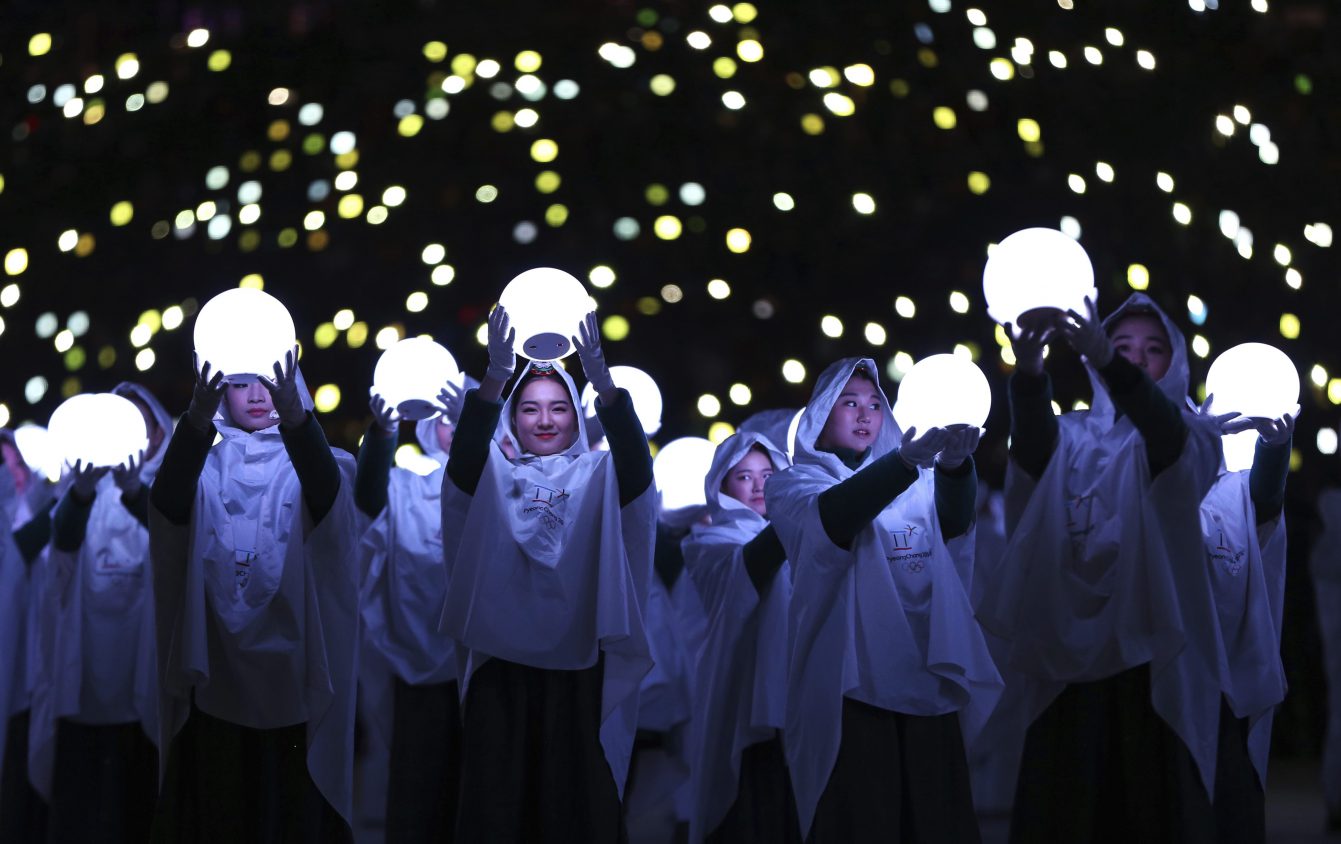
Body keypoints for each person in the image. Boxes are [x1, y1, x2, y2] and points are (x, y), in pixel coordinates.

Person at [979, 293, 1227, 843]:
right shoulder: (1073, 435)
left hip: (1154, 662)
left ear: (1177, 362)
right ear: (1092, 358)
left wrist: (1106, 358)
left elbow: (1168, 445)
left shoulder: (1197, 435)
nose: (1137, 359)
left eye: (1153, 349)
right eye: (1121, 348)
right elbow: (1035, 456)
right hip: (1068, 666)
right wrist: (1029, 370)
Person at [440, 307, 654, 842]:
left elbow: (636, 471)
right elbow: (463, 464)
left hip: (578, 670)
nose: (544, 420)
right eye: (530, 408)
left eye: (559, 407)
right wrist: (495, 374)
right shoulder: (495, 476)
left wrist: (604, 385)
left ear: (577, 418)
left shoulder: (600, 475)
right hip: (501, 670)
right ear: (512, 419)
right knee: (499, 807)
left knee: (572, 806)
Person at [766, 356, 1000, 843]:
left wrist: (956, 466)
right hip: (851, 688)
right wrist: (904, 464)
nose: (865, 414)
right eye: (848, 403)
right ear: (819, 417)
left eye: (875, 403)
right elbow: (832, 521)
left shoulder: (916, 477)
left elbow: (954, 528)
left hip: (924, 680)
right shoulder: (792, 485)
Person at [148, 349, 359, 842]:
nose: (260, 394)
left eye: (272, 381)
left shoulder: (326, 461)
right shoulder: (202, 464)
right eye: (242, 383)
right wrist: (196, 421)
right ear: (220, 389)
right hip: (217, 682)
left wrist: (298, 420)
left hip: (296, 683)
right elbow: (168, 510)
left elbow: (330, 510)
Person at [29, 382, 171, 842]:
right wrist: (83, 493)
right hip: (83, 689)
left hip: (140, 692)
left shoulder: (169, 492)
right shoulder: (78, 495)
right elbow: (60, 553)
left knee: (134, 813)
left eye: (138, 422)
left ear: (156, 433)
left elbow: (176, 543)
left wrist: (134, 492)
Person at [356, 379, 472, 844]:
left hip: (481, 666)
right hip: (418, 670)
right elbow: (367, 499)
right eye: (442, 418)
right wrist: (383, 431)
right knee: (417, 790)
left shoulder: (501, 485)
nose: (452, 428)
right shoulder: (407, 488)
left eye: (461, 415)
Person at [682, 431, 800, 844]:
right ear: (721, 484)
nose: (759, 486)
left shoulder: (800, 540)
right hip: (741, 694)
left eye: (769, 475)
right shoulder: (709, 543)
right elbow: (749, 569)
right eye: (744, 476)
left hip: (797, 694)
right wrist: (800, 515)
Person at [1195, 402, 1294, 840]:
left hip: (1222, 697)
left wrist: (1273, 447)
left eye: (1154, 348)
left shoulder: (1229, 493)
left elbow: (1264, 500)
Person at [0, 429, 56, 843]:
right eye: (6, 466)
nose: (14, 474)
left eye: (17, 464)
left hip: (29, 672)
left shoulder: (39, 513)